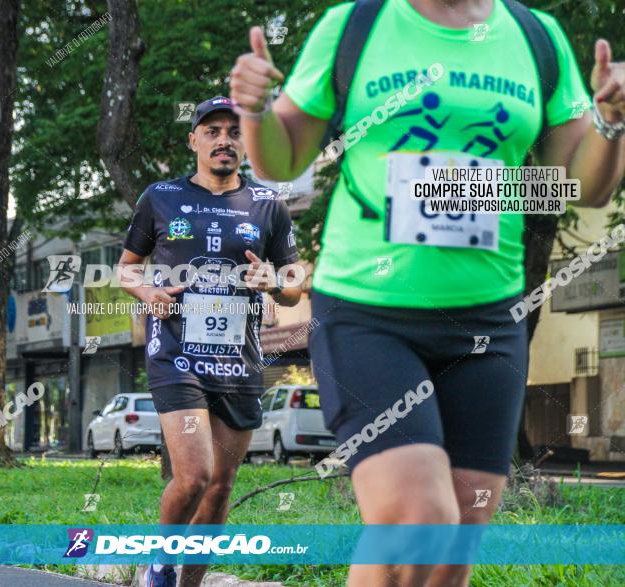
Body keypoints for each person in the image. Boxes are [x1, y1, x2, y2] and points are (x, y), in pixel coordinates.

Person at [229, 0, 625, 585]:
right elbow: (286, 155)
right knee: (418, 519)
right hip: (367, 312)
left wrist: (611, 122)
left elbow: (583, 184)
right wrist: (254, 111)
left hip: (489, 322)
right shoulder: (355, 25)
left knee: (453, 548)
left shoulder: (534, 36)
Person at [118, 96, 302, 587]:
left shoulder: (269, 205)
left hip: (240, 359)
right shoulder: (160, 197)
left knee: (220, 488)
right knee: (195, 475)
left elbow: (294, 286)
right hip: (177, 352)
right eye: (213, 130)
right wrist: (149, 292)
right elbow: (126, 268)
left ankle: (190, 583)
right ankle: (160, 564)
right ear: (194, 140)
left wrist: (272, 282)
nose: (225, 140)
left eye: (235, 132)